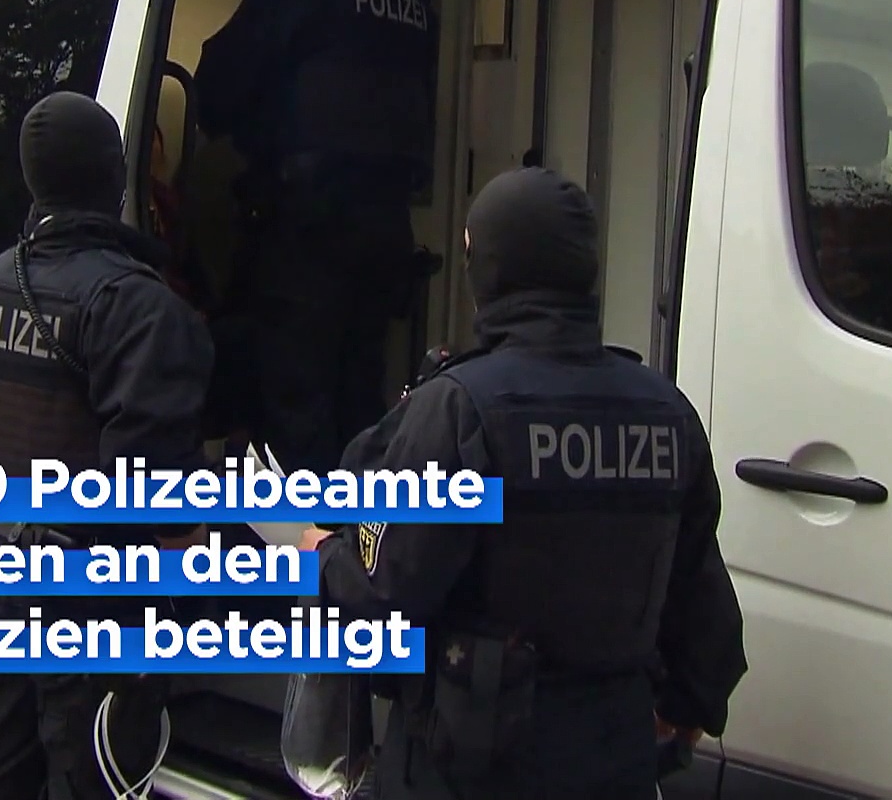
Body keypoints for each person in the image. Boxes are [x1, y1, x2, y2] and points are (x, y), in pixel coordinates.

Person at [301, 167, 748, 800]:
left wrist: (320, 556)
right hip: (615, 761)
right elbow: (702, 606)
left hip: (469, 766)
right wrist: (688, 703)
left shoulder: (460, 408)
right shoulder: (666, 412)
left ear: (492, 266)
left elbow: (387, 598)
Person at [0, 91, 214, 800]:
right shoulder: (138, 308)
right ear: (116, 176)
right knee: (94, 780)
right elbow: (150, 481)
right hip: (93, 593)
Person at [193, 0, 438, 474]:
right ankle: (360, 522)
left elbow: (218, 88)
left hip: (307, 228)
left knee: (296, 399)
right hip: (387, 228)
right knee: (360, 385)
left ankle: (309, 525)